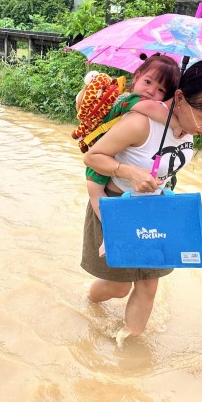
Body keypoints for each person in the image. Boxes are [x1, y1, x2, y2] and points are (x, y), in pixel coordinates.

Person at [81, 60, 202, 344]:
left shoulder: (189, 127)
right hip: (117, 205)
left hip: (155, 210)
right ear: (179, 98)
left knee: (149, 284)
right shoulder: (141, 123)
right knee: (118, 287)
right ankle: (88, 301)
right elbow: (93, 158)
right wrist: (128, 171)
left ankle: (130, 345)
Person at [75, 55, 182, 258]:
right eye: (148, 82)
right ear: (137, 76)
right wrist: (176, 125)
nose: (151, 91)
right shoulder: (130, 99)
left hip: (117, 155)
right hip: (103, 154)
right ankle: (110, 233)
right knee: (94, 189)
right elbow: (152, 108)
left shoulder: (128, 99)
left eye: (160, 90)